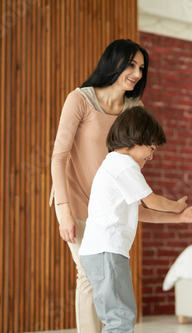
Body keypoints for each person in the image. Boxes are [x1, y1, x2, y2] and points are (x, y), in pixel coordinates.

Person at [79, 106, 192, 332]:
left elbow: (141, 212)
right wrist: (176, 206)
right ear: (135, 137)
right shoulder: (124, 164)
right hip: (107, 251)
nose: (152, 154)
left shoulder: (113, 165)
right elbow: (152, 201)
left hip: (98, 253)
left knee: (115, 316)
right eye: (152, 147)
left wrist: (180, 219)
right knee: (120, 318)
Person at [50, 39, 149, 332]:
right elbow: (59, 156)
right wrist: (64, 210)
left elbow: (137, 158)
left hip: (109, 205)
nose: (137, 73)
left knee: (104, 275)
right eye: (131, 65)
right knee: (88, 275)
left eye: (141, 68)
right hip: (75, 199)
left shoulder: (134, 108)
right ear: (113, 63)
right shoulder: (80, 99)